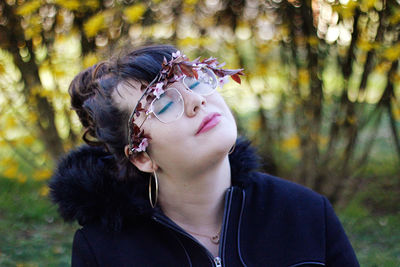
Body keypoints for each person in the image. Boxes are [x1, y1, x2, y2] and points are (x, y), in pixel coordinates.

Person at [49, 45, 360, 267]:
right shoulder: (105, 251)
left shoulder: (305, 213)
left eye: (193, 81)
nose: (196, 100)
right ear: (142, 158)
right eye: (164, 104)